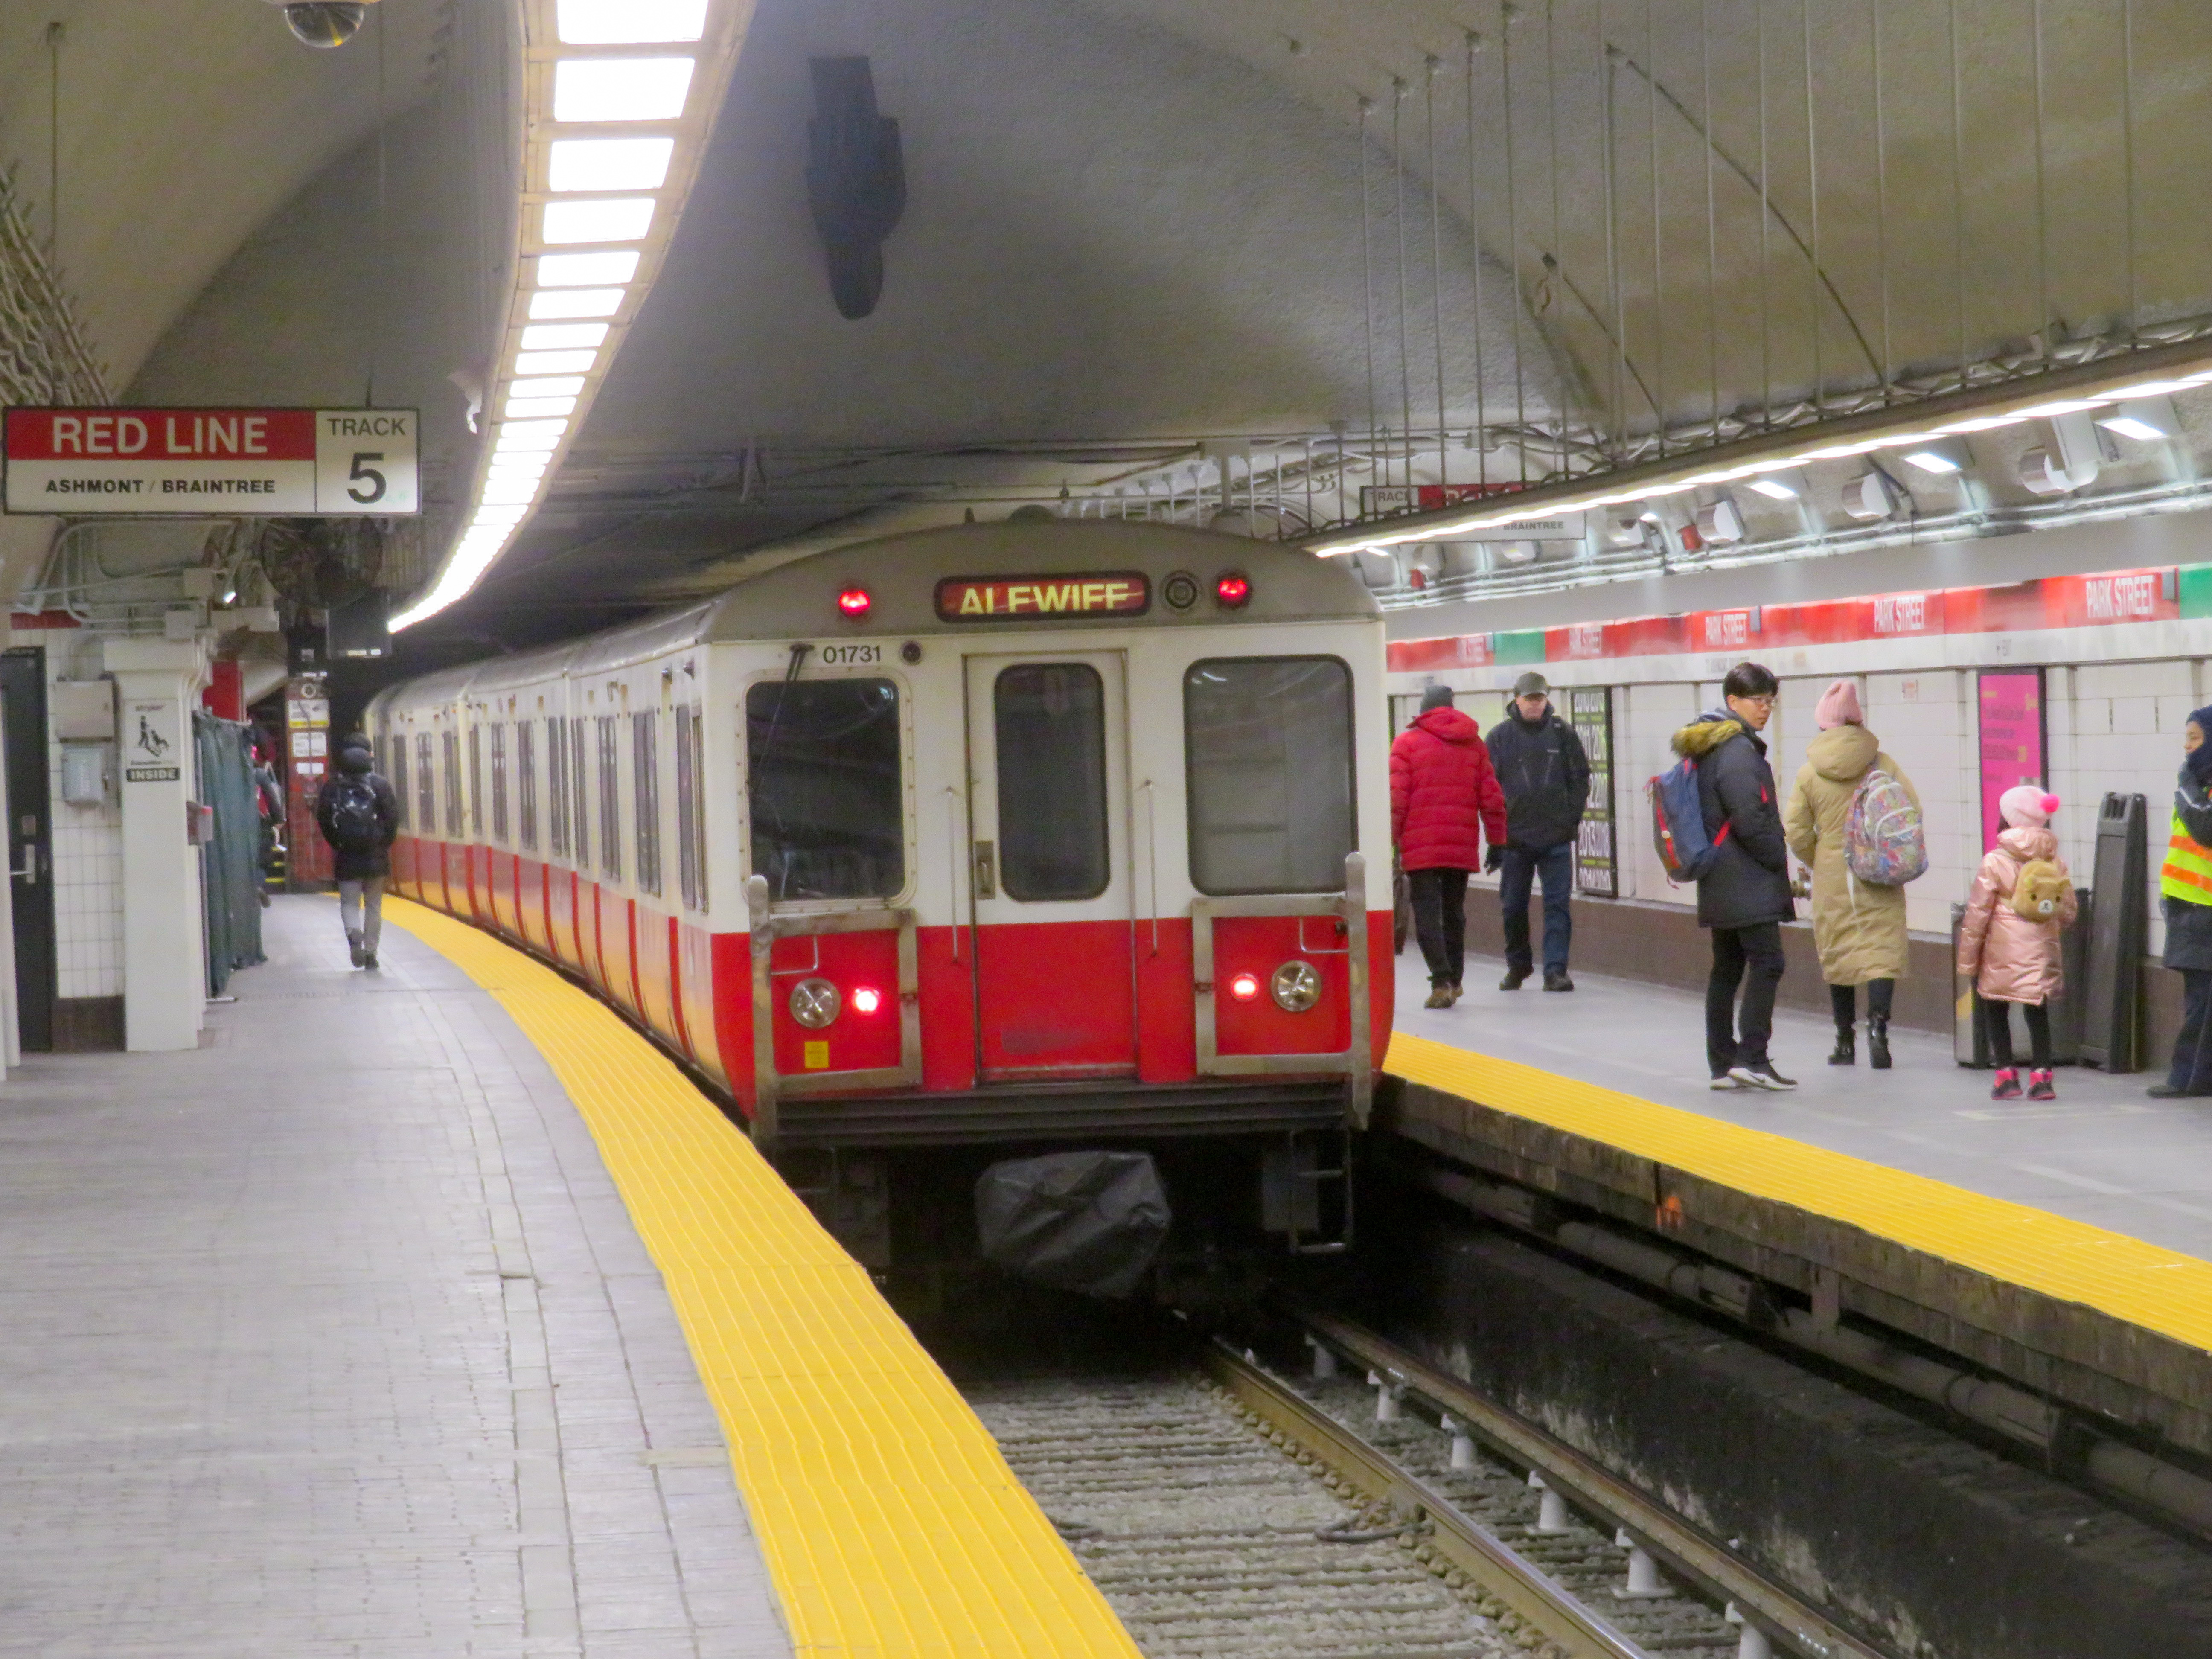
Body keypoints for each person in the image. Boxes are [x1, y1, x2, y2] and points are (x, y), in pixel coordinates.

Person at [1783, 679, 1920, 1069]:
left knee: (1839, 951)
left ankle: (1845, 1041)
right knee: (1880, 950)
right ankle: (1879, 1029)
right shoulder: (1883, 763)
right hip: (1877, 868)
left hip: (1832, 871)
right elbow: (1910, 810)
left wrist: (1820, 857)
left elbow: (1795, 829)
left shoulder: (1810, 773)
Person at [1673, 663, 1797, 1091]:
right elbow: (1750, 816)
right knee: (1769, 962)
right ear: (1733, 702)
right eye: (1758, 700)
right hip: (1746, 877)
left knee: (1727, 968)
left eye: (1770, 702)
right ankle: (1754, 1058)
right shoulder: (1738, 752)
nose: (1765, 709)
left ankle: (1723, 1063)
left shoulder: (1712, 747)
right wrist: (1776, 855)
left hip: (1720, 876)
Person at [1956, 786, 2077, 1102]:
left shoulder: (1995, 860)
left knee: (1996, 1006)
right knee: (2037, 1012)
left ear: (2007, 819)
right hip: (2042, 949)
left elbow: (1978, 915)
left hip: (2001, 950)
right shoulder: (2055, 861)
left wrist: (1968, 960)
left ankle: (2006, 1077)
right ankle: (2042, 1078)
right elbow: (2069, 911)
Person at [1390, 684, 1507, 1009]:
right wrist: (1497, 842)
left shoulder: (1406, 744)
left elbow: (1396, 800)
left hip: (1420, 846)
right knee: (1454, 913)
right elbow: (1493, 799)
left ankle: (1441, 982)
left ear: (1424, 710)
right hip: (1460, 844)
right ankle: (1456, 979)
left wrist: (1391, 841)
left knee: (1427, 913)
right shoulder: (1475, 745)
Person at [1485, 671, 1590, 993]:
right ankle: (1518, 966)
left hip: (1556, 839)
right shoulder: (1499, 737)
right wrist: (1496, 835)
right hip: (1515, 839)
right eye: (1530, 699)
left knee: (1557, 905)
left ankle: (1556, 971)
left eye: (1540, 699)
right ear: (1516, 699)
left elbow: (1581, 779)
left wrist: (1570, 819)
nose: (1536, 704)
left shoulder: (1563, 734)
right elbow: (1489, 788)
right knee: (1513, 906)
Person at [2152, 707, 2212, 1098]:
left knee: (2202, 1003)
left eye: (2195, 738)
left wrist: (2187, 785)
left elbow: (2205, 829)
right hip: (2187, 907)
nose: (2187, 747)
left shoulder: (2195, 787)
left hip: (2205, 911)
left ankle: (2190, 1078)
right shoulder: (2198, 785)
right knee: (2199, 997)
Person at [316, 733, 401, 970]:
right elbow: (393, 819)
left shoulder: (333, 787)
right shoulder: (381, 785)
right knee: (374, 904)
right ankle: (371, 953)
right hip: (376, 856)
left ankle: (355, 937)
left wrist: (338, 843)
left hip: (347, 855)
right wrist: (383, 844)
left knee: (350, 903)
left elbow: (323, 819)